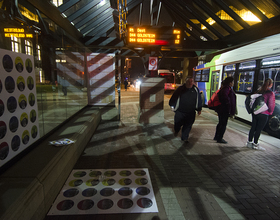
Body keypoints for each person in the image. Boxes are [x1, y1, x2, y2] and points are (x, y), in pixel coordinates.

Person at [169, 76, 202, 142]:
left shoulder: (195, 90)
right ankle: (176, 130)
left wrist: (199, 109)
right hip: (180, 111)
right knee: (177, 124)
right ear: (185, 82)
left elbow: (199, 99)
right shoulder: (180, 89)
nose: (190, 83)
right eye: (189, 81)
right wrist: (172, 106)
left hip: (190, 112)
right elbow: (173, 98)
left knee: (188, 125)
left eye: (191, 81)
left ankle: (184, 138)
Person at [247, 78, 275, 150]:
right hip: (264, 113)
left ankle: (249, 143)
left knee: (253, 127)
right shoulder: (270, 93)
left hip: (255, 112)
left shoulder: (259, 91)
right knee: (259, 129)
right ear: (271, 84)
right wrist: (270, 112)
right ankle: (255, 144)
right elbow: (271, 105)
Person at [214, 77, 236, 143]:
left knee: (220, 123)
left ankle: (217, 136)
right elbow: (225, 98)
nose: (233, 83)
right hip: (224, 110)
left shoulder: (225, 88)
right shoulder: (226, 89)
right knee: (223, 124)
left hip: (222, 109)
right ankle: (220, 138)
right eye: (233, 82)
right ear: (230, 83)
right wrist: (229, 106)